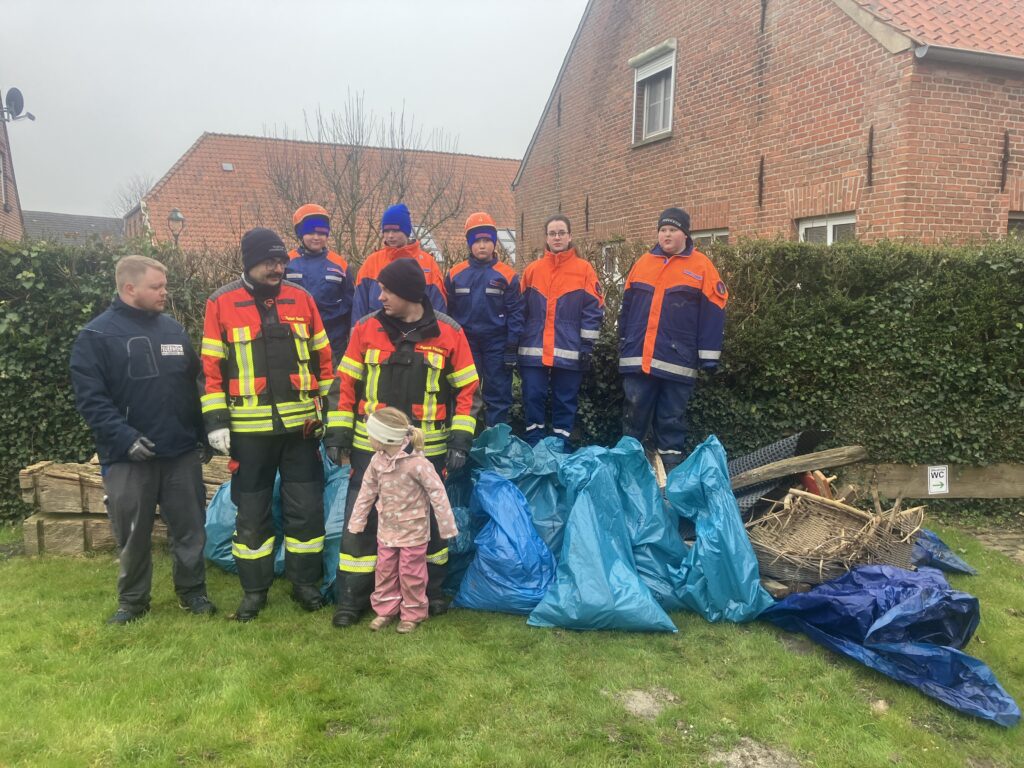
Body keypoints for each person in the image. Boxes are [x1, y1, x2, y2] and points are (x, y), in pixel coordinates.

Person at [324, 257, 479, 628]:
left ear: (409, 294)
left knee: (427, 525)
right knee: (361, 521)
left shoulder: (449, 333)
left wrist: (460, 440)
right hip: (371, 450)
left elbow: (469, 391)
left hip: (426, 451)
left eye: (387, 291)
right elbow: (344, 386)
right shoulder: (366, 329)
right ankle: (352, 599)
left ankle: (429, 594)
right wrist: (338, 434)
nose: (379, 297)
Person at [200, 227, 335, 621]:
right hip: (249, 433)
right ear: (249, 263)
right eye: (269, 262)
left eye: (281, 261)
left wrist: (331, 416)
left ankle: (304, 583)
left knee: (306, 511)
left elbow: (324, 361)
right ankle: (254, 592)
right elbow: (210, 369)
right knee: (252, 514)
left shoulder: (302, 299)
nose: (278, 268)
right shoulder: (221, 302)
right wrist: (216, 421)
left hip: (301, 431)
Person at [70, 255, 214, 624]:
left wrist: (203, 432)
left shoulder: (173, 330)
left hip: (180, 452)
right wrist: (125, 438)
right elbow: (91, 399)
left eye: (164, 285)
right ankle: (133, 603)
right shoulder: (96, 336)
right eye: (157, 286)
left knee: (190, 528)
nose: (165, 292)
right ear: (130, 288)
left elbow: (195, 383)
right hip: (128, 457)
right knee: (132, 533)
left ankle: (193, 593)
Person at [619, 207, 728, 473]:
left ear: (685, 234)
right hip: (639, 359)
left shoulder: (701, 266)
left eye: (672, 230)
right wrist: (623, 342)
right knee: (633, 416)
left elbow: (714, 313)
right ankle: (628, 469)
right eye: (663, 230)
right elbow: (627, 308)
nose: (666, 235)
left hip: (678, 362)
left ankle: (671, 473)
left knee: (671, 420)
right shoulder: (642, 263)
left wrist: (709, 357)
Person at [347, 407, 459, 634]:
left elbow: (438, 494)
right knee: (385, 570)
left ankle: (413, 613)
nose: (368, 439)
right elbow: (366, 492)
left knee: (411, 573)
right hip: (387, 530)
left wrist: (447, 527)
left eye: (371, 435)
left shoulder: (418, 464)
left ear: (384, 438)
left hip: (414, 532)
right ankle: (385, 610)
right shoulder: (376, 462)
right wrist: (357, 521)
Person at [518, 215, 604, 450]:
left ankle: (560, 449)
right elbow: (519, 310)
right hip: (534, 349)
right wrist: (513, 343)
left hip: (570, 349)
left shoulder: (584, 270)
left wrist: (586, 346)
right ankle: (534, 447)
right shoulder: (532, 270)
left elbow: (594, 310)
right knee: (532, 397)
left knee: (565, 401)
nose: (557, 237)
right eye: (552, 233)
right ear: (546, 238)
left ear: (570, 236)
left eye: (561, 233)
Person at [444, 212, 524, 426]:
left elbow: (516, 313)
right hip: (465, 343)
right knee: (464, 392)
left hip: (497, 343)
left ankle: (495, 440)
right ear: (469, 244)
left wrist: (511, 346)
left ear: (494, 242)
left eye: (487, 240)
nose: (482, 245)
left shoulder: (507, 275)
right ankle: (463, 438)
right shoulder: (454, 274)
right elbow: (446, 313)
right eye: (477, 241)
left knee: (498, 394)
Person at [351, 203, 447, 319]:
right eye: (386, 231)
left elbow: (438, 309)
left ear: (406, 231)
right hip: (377, 329)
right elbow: (359, 308)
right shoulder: (372, 262)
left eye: (395, 231)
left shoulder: (428, 264)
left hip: (417, 329)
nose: (390, 236)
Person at [286, 204, 356, 363]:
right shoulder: (287, 263)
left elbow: (350, 303)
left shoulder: (339, 264)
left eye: (321, 233)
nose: (316, 237)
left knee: (332, 378)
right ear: (300, 234)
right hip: (296, 337)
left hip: (333, 340)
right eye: (311, 232)